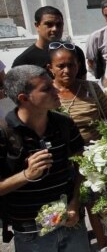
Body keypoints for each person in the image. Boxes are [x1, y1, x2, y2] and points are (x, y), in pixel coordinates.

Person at [0, 65, 90, 251]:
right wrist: (26, 175)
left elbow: (82, 166)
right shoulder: (4, 133)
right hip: (32, 234)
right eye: (46, 88)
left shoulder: (64, 123)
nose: (56, 90)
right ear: (24, 99)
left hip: (71, 224)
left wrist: (75, 202)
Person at [48, 44, 107, 250]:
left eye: (72, 65)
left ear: (79, 66)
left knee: (97, 206)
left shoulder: (91, 89)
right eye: (61, 66)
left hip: (95, 159)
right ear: (50, 68)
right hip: (63, 163)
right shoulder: (46, 93)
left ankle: (104, 245)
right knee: (70, 210)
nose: (67, 70)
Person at [12, 6, 88, 79]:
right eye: (49, 24)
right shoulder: (24, 61)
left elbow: (82, 85)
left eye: (59, 25)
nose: (55, 29)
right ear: (37, 25)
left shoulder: (75, 52)